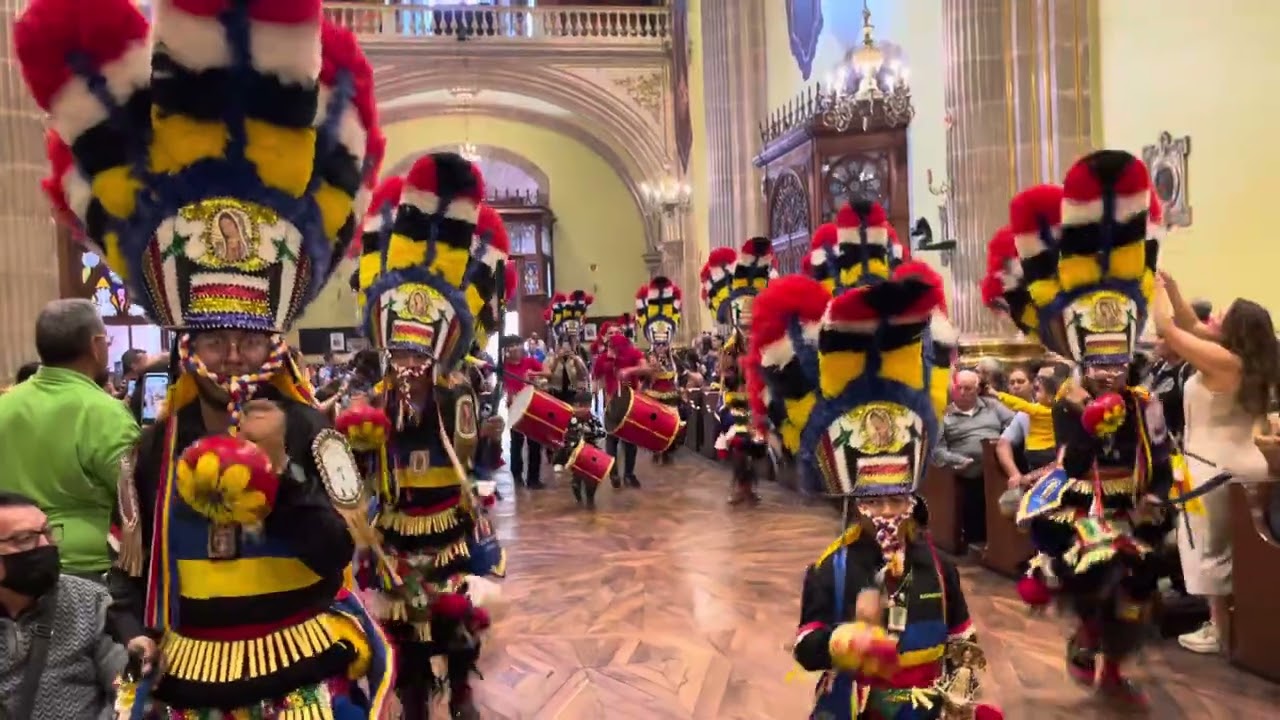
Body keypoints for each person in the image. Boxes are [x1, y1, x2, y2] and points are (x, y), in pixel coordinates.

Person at [16, 3, 396, 716]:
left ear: (274, 343)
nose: (232, 357)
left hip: (297, 671)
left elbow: (338, 554)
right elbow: (131, 573)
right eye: (216, 341)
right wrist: (131, 633)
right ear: (186, 345)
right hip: (191, 679)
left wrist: (279, 470)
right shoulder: (156, 445)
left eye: (248, 341)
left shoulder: (312, 432)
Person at [748, 255, 999, 720]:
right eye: (874, 501)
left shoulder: (940, 567)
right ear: (854, 504)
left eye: (896, 499)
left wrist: (963, 695)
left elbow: (960, 638)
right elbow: (806, 647)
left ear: (912, 499)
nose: (886, 511)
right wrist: (843, 641)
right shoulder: (831, 568)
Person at [982, 151, 1178, 709]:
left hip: (1133, 505)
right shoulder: (1069, 402)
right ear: (1084, 362)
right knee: (1094, 579)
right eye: (1100, 365)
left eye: (1116, 365)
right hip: (1085, 505)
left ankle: (1112, 667)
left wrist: (1157, 496)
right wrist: (1091, 425)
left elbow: (1159, 454)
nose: (1109, 373)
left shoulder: (1145, 402)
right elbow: (1071, 463)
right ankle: (1087, 642)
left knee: (1137, 589)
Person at [337, 170, 514, 720]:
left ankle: (460, 688)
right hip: (395, 524)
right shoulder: (374, 397)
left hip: (448, 521)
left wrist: (484, 436)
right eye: (402, 354)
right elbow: (359, 468)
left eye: (418, 355)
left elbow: (476, 459)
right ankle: (413, 695)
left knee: (454, 616)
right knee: (403, 624)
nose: (410, 364)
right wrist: (358, 437)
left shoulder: (455, 390)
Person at [1154, 271, 1277, 655]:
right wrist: (1173, 288)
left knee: (1208, 550)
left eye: (1224, 312)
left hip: (1212, 466)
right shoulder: (1245, 358)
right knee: (1233, 549)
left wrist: (1152, 291)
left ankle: (1219, 631)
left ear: (1235, 328)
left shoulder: (1223, 360)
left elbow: (1169, 330)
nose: (1215, 315)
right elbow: (1191, 324)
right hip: (1245, 462)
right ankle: (1233, 623)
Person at [0, 299, 139, 581]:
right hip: (87, 567)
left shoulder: (5, 405)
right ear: (96, 345)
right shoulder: (106, 413)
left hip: (12, 563)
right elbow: (134, 501)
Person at [0, 492, 127, 720]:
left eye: (48, 532)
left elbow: (127, 685)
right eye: (24, 539)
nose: (45, 545)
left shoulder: (91, 601)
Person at [699, 237, 777, 504]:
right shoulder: (730, 346)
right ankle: (740, 486)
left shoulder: (764, 344)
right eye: (742, 323)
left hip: (759, 401)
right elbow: (724, 376)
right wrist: (733, 370)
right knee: (737, 441)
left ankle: (750, 485)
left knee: (757, 443)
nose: (746, 327)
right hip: (735, 401)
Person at [931, 370, 1013, 545]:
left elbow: (1015, 424)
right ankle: (977, 543)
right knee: (974, 492)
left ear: (977, 389)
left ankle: (1005, 542)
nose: (962, 392)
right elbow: (937, 450)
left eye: (968, 388)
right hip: (968, 471)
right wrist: (956, 460)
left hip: (1000, 466)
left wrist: (1003, 441)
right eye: (958, 388)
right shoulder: (944, 415)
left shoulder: (992, 406)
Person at [631, 276, 686, 465]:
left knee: (673, 425)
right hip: (653, 397)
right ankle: (657, 450)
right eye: (659, 344)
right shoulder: (646, 357)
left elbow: (682, 374)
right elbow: (641, 376)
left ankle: (668, 450)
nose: (662, 347)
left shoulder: (674, 357)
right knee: (655, 427)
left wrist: (686, 384)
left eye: (664, 344)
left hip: (671, 396)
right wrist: (650, 369)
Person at [503, 336, 550, 489]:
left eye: (517, 344)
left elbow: (548, 372)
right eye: (511, 346)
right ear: (506, 350)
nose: (514, 348)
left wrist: (533, 374)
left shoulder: (529, 362)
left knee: (535, 443)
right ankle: (517, 476)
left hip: (532, 406)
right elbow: (502, 387)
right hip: (515, 408)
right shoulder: (503, 367)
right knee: (516, 443)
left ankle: (533, 479)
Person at [600, 331, 645, 488]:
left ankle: (629, 474)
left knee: (631, 440)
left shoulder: (633, 352)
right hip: (612, 401)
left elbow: (645, 368)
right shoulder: (603, 357)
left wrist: (630, 371)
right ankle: (614, 474)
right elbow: (598, 378)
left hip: (631, 401)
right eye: (610, 333)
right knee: (612, 439)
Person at [552, 391, 609, 509]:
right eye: (580, 406)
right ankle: (578, 497)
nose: (582, 409)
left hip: (591, 452)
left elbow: (602, 433)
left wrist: (592, 433)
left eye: (586, 406)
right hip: (575, 453)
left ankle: (590, 499)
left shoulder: (593, 419)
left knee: (592, 480)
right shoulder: (571, 419)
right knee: (577, 479)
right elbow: (564, 436)